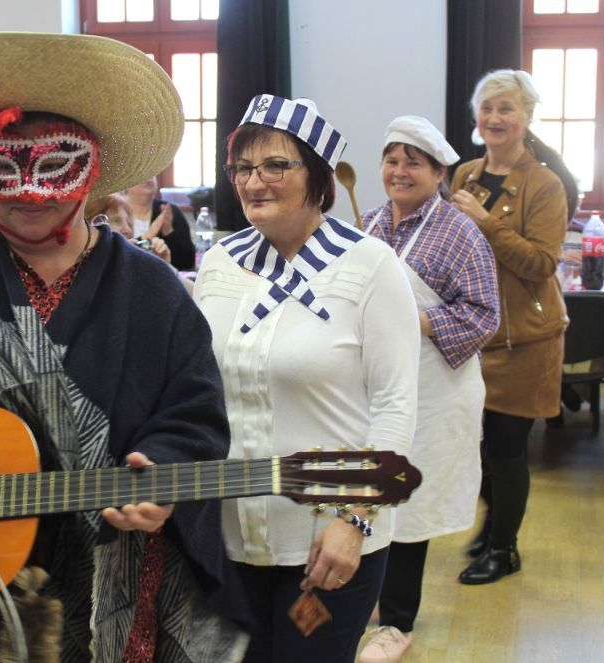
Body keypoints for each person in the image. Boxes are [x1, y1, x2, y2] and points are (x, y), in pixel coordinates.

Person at [0, 32, 247, 662]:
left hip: (112, 584)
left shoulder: (150, 288)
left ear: (92, 170)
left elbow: (194, 411)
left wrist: (163, 470)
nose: (28, 194)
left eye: (55, 168)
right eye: (3, 169)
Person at [194, 94, 420, 662]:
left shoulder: (370, 266)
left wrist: (354, 521)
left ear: (318, 176)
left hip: (328, 540)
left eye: (276, 165)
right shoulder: (220, 263)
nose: (254, 182)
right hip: (229, 535)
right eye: (243, 167)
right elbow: (197, 390)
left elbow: (395, 405)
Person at [357, 116, 499, 662]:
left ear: (439, 173)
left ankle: (396, 623)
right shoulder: (367, 224)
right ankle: (365, 602)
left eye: (413, 163)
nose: (399, 171)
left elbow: (484, 316)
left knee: (407, 503)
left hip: (434, 389)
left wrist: (413, 319)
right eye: (391, 160)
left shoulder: (460, 233)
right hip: (373, 386)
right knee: (365, 494)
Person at [450, 69, 568, 585]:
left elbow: (541, 263)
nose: (495, 118)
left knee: (505, 449)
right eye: (487, 108)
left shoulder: (545, 184)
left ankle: (505, 549)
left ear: (527, 117)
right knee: (472, 446)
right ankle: (494, 521)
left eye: (506, 108)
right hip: (473, 333)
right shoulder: (464, 175)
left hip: (525, 339)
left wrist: (486, 222)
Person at [126, 175, 196, 270]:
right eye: (141, 174)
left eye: (151, 173)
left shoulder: (170, 211)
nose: (148, 178)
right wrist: (148, 236)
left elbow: (188, 262)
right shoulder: (116, 212)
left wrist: (169, 233)